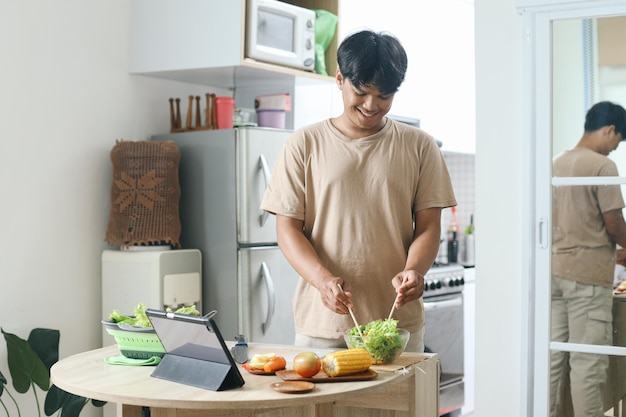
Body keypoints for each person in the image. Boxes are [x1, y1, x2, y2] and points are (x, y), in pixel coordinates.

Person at [260, 29, 457, 351]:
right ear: (340, 79)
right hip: (324, 324)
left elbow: (429, 226)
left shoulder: (419, 146)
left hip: (398, 325)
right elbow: (287, 230)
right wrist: (323, 280)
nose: (371, 105)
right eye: (362, 92)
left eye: (384, 96)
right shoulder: (304, 143)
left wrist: (415, 271)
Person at [551, 100, 626, 417]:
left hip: (553, 275)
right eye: (618, 141)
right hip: (587, 279)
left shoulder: (555, 163)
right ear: (609, 130)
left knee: (552, 360)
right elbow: (614, 224)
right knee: (588, 364)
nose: (615, 149)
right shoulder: (601, 166)